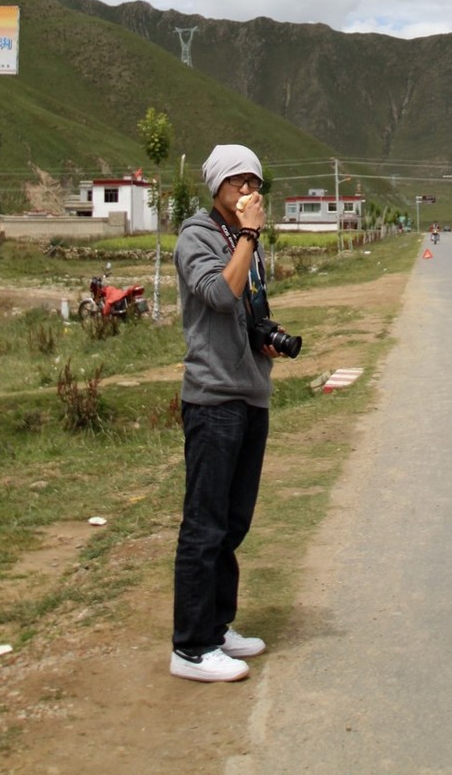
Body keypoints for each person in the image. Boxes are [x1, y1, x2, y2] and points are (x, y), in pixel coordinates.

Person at [170, 143, 278, 683]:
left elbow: (246, 307)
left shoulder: (244, 243)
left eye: (255, 182)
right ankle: (190, 647)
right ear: (215, 187)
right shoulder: (199, 236)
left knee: (232, 523)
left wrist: (265, 339)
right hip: (213, 398)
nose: (247, 192)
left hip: (250, 390)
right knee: (205, 525)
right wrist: (251, 236)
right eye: (237, 182)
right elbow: (217, 294)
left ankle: (217, 626)